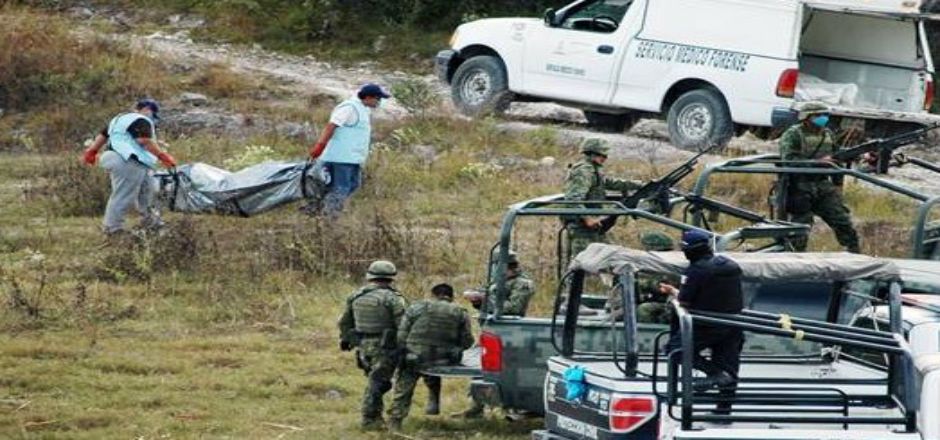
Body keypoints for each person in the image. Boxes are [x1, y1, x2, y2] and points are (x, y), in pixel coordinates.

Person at [659, 229, 743, 414]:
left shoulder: (695, 271)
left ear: (691, 250)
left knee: (675, 350)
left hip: (705, 325)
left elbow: (685, 302)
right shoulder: (731, 265)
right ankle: (724, 409)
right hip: (734, 324)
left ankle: (716, 374)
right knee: (729, 363)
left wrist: (674, 293)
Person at [81, 99, 177, 235]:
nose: (153, 119)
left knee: (148, 190)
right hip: (126, 159)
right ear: (148, 110)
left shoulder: (119, 119)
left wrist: (92, 151)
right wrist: (163, 156)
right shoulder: (141, 120)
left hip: (120, 158)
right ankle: (112, 229)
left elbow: (103, 136)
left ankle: (152, 223)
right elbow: (144, 140)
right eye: (153, 115)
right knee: (123, 194)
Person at [388, 284, 474, 431]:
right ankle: (433, 401)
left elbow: (401, 335)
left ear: (433, 295)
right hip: (443, 360)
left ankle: (395, 422)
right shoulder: (460, 312)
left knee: (404, 386)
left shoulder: (416, 308)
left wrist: (404, 352)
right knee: (433, 368)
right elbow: (467, 341)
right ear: (451, 297)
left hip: (415, 356)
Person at [778, 101, 861, 253]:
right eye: (818, 115)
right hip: (800, 186)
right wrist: (817, 162)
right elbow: (789, 161)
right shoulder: (793, 134)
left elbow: (837, 159)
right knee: (801, 226)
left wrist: (838, 183)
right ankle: (795, 257)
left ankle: (855, 253)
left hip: (823, 185)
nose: (823, 118)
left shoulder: (828, 134)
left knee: (842, 221)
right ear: (807, 117)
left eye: (825, 115)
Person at [337, 260, 407, 430]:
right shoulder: (393, 299)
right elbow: (403, 325)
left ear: (371, 276)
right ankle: (370, 419)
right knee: (378, 383)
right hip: (385, 347)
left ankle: (375, 416)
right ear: (391, 278)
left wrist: (346, 339)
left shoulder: (356, 296)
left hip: (363, 345)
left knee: (375, 380)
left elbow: (344, 322)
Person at [307, 83, 391, 217]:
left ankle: (318, 209)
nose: (379, 102)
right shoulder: (349, 108)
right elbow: (331, 126)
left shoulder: (363, 109)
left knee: (353, 185)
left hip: (352, 158)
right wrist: (320, 146)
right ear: (368, 97)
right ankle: (329, 216)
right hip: (340, 157)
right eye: (377, 98)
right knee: (341, 187)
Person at [563, 138, 643, 261]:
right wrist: (587, 218)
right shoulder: (584, 170)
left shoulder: (593, 169)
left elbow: (610, 182)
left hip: (593, 222)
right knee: (580, 263)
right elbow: (573, 199)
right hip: (581, 225)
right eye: (602, 155)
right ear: (591, 154)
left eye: (605, 155)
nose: (605, 158)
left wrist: (639, 185)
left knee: (607, 257)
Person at [607, 231, 678, 324]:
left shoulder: (672, 266)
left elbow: (661, 287)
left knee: (644, 310)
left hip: (667, 305)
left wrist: (644, 284)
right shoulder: (647, 263)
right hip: (648, 300)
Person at [464, 251, 535, 317]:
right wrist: (477, 301)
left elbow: (514, 309)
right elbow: (485, 293)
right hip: (492, 322)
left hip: (510, 325)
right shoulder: (497, 281)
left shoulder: (522, 283)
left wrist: (485, 299)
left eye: (495, 266)